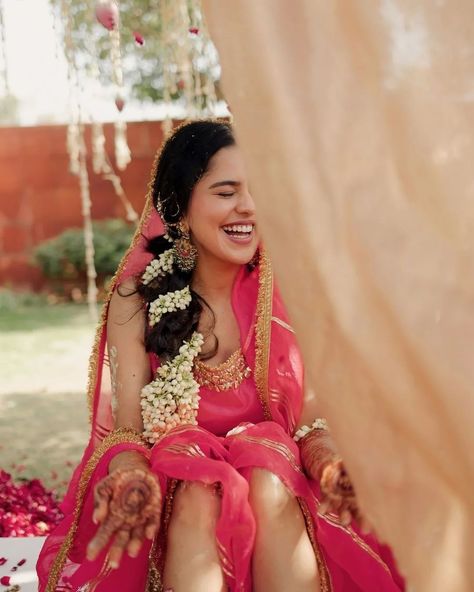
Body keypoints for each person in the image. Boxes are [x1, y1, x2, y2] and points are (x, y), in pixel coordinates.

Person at [37, 120, 404, 592]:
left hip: (283, 495)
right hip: (177, 501)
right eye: (226, 191)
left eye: (258, 191)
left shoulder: (291, 290)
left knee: (264, 468)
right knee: (199, 489)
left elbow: (311, 418)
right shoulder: (137, 300)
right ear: (180, 210)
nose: (248, 207)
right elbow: (126, 428)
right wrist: (131, 476)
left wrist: (332, 465)